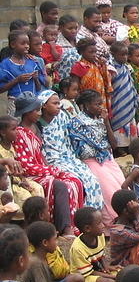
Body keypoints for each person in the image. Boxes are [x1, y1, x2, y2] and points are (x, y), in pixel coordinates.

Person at [12, 94, 82, 235]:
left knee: (74, 180)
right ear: (27, 112)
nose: (39, 113)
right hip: (30, 174)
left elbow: (40, 156)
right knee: (60, 185)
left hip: (40, 170)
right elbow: (25, 165)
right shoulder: (18, 133)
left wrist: (50, 169)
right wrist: (49, 171)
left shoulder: (36, 129)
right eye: (36, 110)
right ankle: (65, 228)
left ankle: (74, 224)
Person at [68, 90, 126, 227]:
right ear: (87, 105)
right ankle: (113, 222)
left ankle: (127, 217)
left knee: (122, 186)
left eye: (101, 103)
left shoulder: (100, 120)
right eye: (97, 104)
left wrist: (106, 122)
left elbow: (114, 144)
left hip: (106, 158)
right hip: (90, 160)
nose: (101, 107)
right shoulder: (77, 123)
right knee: (109, 190)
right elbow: (92, 147)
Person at [70, 207, 118, 282]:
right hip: (84, 278)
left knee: (124, 273)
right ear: (87, 228)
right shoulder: (78, 248)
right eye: (99, 223)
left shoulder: (99, 236)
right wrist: (110, 277)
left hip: (98, 271)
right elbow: (89, 273)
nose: (103, 225)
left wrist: (107, 268)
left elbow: (102, 255)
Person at [0, 30, 47, 113]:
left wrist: (36, 79)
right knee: (16, 124)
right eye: (23, 43)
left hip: (33, 103)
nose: (26, 46)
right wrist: (17, 80)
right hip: (15, 103)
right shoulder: (6, 64)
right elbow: (1, 89)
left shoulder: (33, 62)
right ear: (13, 45)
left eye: (28, 44)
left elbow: (39, 88)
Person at [70, 38, 112, 111]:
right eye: (91, 52)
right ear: (82, 52)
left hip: (100, 101)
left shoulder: (97, 65)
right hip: (86, 103)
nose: (94, 55)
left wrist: (103, 66)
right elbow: (75, 87)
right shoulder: (78, 66)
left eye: (95, 52)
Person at [109, 41, 139, 145]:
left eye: (126, 54)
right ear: (113, 54)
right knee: (120, 130)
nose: (125, 57)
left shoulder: (126, 68)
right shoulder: (111, 69)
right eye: (122, 55)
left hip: (129, 103)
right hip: (118, 102)